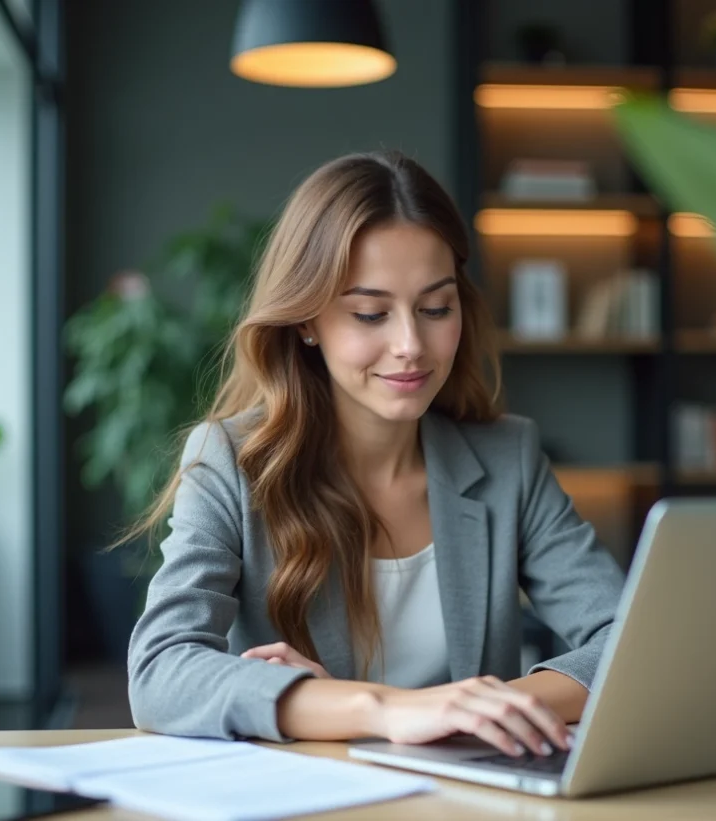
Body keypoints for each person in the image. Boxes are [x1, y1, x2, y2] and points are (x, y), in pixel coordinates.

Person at [126, 150, 624, 759]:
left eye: (436, 308)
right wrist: (381, 708)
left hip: (467, 800)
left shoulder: (508, 458)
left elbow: (630, 640)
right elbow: (160, 671)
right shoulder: (229, 460)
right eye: (370, 313)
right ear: (307, 320)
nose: (411, 345)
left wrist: (480, 710)